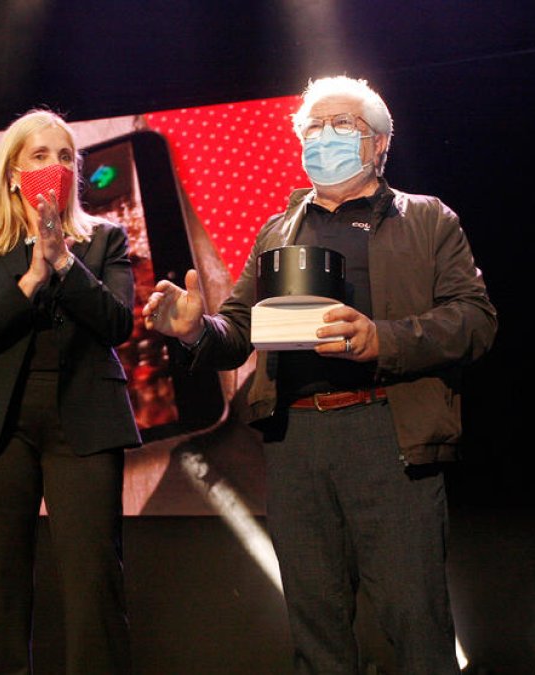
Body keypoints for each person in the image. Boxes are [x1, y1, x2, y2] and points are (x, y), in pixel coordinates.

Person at [144, 76, 497, 674]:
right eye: (314, 128)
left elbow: (474, 321)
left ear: (381, 144)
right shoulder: (277, 231)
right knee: (316, 625)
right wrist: (194, 329)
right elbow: (237, 334)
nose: (324, 138)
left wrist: (379, 339)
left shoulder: (427, 220)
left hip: (389, 432)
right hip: (297, 442)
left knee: (416, 620)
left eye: (344, 127)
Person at [0, 109, 140, 675]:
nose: (55, 166)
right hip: (1, 431)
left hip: (84, 422)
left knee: (93, 586)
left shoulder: (104, 240)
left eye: (65, 157)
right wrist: (30, 279)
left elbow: (117, 323)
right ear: (12, 174)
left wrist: (64, 263)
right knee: (1, 593)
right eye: (39, 156)